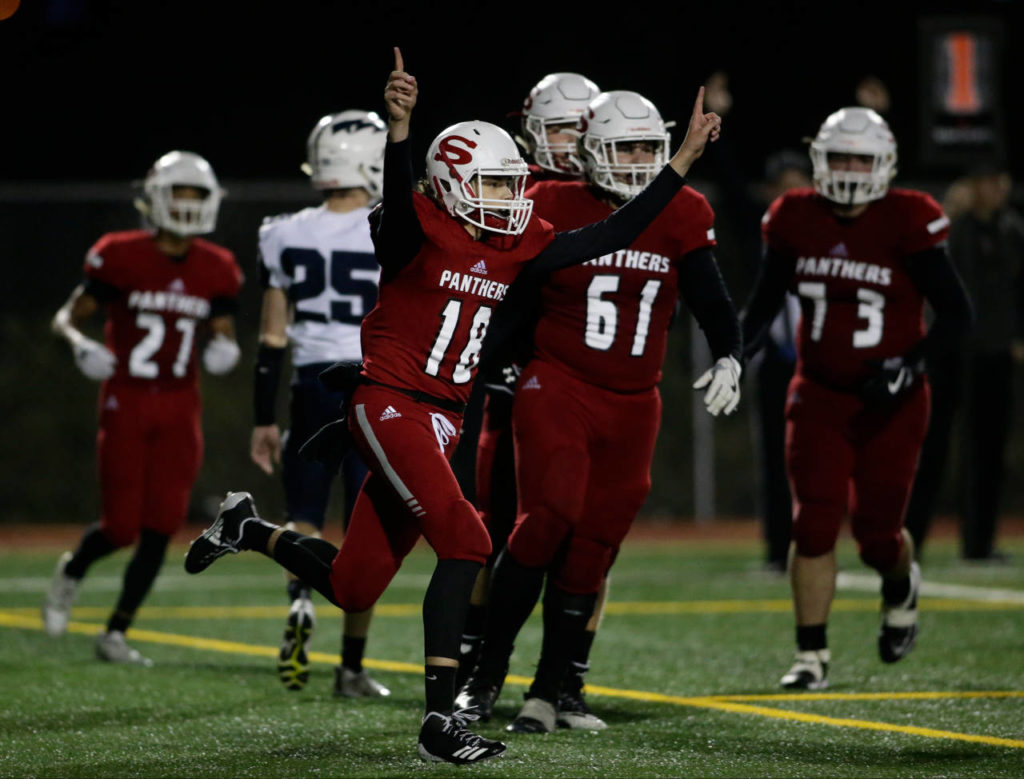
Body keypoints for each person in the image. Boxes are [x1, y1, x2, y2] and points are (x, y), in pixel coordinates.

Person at [183, 47, 722, 765]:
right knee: (469, 541)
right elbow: (402, 200)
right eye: (494, 184)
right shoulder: (414, 233)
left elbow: (612, 233)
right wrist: (401, 127)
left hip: (439, 417)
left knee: (352, 583)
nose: (510, 197)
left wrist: (679, 161)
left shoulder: (517, 242)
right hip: (393, 404)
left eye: (509, 183)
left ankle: (246, 527)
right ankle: (442, 721)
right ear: (452, 184)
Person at [456, 88, 742, 734]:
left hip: (636, 402)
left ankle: (550, 692)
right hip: (557, 384)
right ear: (591, 152)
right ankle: (484, 678)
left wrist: (730, 353)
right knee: (545, 517)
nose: (639, 159)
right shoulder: (552, 202)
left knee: (593, 547)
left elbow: (711, 296)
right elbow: (509, 295)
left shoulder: (683, 209)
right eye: (625, 147)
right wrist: (472, 369)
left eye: (648, 146)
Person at [740, 107, 973, 690]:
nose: (847, 170)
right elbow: (763, 304)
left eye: (859, 159)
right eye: (838, 157)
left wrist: (908, 363)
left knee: (877, 538)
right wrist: (730, 353)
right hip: (817, 394)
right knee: (813, 525)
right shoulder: (794, 217)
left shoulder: (909, 217)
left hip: (892, 401)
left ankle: (900, 584)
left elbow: (958, 315)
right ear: (819, 158)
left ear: (884, 164)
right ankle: (811, 655)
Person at [42, 150, 243, 666]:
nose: (188, 203)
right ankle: (73, 568)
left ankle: (116, 632)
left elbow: (221, 327)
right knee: (121, 527)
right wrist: (79, 344)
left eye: (197, 194)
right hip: (126, 399)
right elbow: (67, 316)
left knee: (162, 525)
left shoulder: (217, 266)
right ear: (155, 197)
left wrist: (226, 345)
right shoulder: (121, 254)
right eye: (180, 191)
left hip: (180, 406)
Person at [456, 72, 607, 722]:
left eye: (582, 129)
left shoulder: (618, 200)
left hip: (584, 392)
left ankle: (564, 676)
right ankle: (475, 667)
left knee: (590, 539)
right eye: (562, 129)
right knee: (497, 531)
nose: (572, 144)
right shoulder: (519, 192)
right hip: (511, 386)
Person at [250, 110, 390, 697]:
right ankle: (351, 667)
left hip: (309, 383)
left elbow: (271, 337)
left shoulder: (283, 232)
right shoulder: (392, 226)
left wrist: (262, 417)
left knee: (304, 513)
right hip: (372, 383)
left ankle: (300, 597)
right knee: (368, 522)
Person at [903, 160, 1024, 562]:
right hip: (949, 355)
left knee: (988, 452)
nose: (996, 188)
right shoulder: (951, 228)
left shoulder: (1011, 230)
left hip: (993, 354)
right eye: (986, 180)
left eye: (998, 180)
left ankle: (979, 544)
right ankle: (909, 540)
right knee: (931, 448)